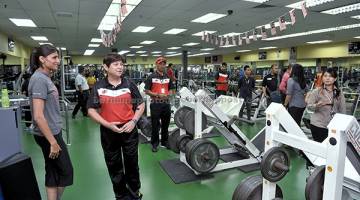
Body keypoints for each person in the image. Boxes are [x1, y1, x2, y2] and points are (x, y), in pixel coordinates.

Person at [87, 53, 145, 200]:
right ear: (106, 67)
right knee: (114, 165)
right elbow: (91, 110)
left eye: (121, 64)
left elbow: (141, 104)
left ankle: (134, 193)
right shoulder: (99, 87)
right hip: (109, 132)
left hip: (129, 130)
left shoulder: (129, 84)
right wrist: (107, 124)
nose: (120, 67)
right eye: (116, 64)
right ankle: (120, 195)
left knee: (132, 163)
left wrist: (133, 121)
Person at [28, 44, 73, 200]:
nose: (58, 61)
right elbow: (39, 116)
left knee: (52, 171)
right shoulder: (39, 79)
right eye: (54, 57)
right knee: (66, 171)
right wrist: (53, 142)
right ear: (42, 59)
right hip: (49, 135)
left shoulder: (44, 77)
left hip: (51, 131)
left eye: (58, 57)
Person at [306, 68, 346, 142]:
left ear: (335, 79)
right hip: (318, 125)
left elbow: (342, 110)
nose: (327, 78)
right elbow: (309, 107)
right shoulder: (316, 91)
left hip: (334, 127)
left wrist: (342, 125)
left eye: (330, 76)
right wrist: (317, 105)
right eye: (325, 76)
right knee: (320, 148)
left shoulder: (339, 93)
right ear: (322, 78)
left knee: (332, 149)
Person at [144, 56, 175, 152]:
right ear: (156, 65)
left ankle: (164, 142)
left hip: (166, 104)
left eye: (164, 64)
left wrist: (168, 95)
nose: (162, 65)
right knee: (155, 125)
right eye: (160, 63)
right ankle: (154, 143)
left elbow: (172, 89)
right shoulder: (151, 77)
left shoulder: (167, 77)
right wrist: (157, 94)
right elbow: (146, 90)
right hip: (156, 104)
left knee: (166, 124)